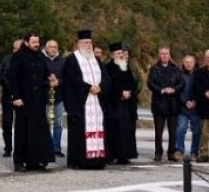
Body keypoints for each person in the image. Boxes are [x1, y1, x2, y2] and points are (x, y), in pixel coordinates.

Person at [7, 33, 56, 171]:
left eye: (38, 42)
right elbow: (12, 78)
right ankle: (19, 161)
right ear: (26, 42)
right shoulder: (18, 56)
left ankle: (35, 160)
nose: (36, 44)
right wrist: (16, 97)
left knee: (38, 132)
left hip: (38, 100)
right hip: (23, 100)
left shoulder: (41, 57)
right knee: (22, 132)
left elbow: (45, 74)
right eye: (33, 42)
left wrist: (51, 79)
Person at [61, 30, 106, 169]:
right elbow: (70, 81)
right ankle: (78, 161)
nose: (88, 45)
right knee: (78, 133)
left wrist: (100, 87)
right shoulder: (71, 59)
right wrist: (88, 88)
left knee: (98, 131)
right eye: (85, 43)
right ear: (78, 44)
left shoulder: (96, 60)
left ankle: (97, 160)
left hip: (97, 103)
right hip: (81, 104)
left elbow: (106, 77)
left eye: (90, 43)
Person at [103, 44, 138, 165]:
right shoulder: (107, 68)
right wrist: (120, 93)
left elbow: (133, 83)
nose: (121, 55)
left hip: (127, 105)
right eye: (118, 54)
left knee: (127, 130)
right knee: (114, 131)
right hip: (114, 104)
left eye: (122, 53)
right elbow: (108, 86)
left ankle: (124, 155)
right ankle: (112, 155)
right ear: (112, 55)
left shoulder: (126, 67)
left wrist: (129, 92)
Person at [146, 46, 183, 162]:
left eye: (166, 54)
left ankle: (171, 153)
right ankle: (158, 152)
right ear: (159, 55)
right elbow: (150, 83)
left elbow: (181, 83)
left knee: (173, 131)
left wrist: (174, 90)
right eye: (162, 54)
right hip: (159, 103)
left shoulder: (176, 68)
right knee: (159, 131)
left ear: (169, 55)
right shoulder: (154, 68)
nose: (164, 56)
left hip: (173, 103)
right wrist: (162, 90)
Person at [174, 54, 201, 162]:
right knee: (181, 129)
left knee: (197, 131)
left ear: (194, 63)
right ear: (183, 63)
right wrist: (185, 102)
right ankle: (179, 150)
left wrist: (195, 101)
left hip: (196, 108)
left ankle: (194, 152)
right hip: (183, 108)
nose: (189, 64)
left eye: (191, 62)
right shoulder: (179, 75)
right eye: (186, 62)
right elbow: (177, 91)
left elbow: (201, 90)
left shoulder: (199, 74)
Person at [0, 38, 22, 157]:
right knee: (7, 123)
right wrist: (12, 89)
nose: (16, 51)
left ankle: (20, 148)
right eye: (14, 48)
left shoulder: (25, 60)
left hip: (22, 98)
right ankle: (8, 148)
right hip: (8, 96)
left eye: (18, 48)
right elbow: (2, 76)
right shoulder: (6, 60)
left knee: (21, 123)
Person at [43, 39, 65, 157]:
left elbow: (67, 77)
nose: (53, 49)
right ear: (46, 49)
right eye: (50, 47)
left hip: (59, 97)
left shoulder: (63, 61)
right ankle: (47, 147)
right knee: (46, 124)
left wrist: (58, 81)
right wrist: (48, 82)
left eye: (55, 47)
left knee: (58, 124)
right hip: (45, 97)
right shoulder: (41, 60)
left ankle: (56, 147)